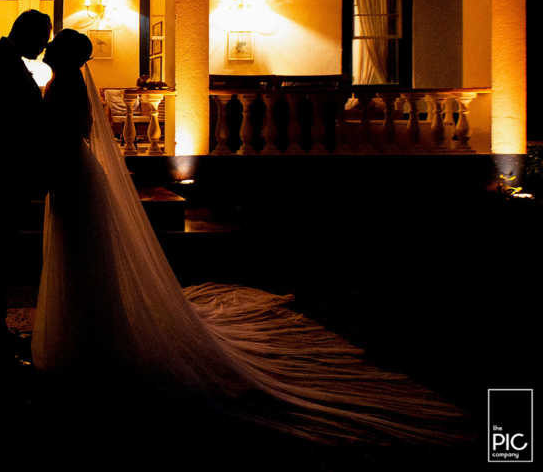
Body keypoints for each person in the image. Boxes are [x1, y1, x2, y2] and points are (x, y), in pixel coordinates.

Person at [30, 29, 465, 443]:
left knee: (84, 253)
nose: (47, 51)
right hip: (74, 174)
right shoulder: (67, 84)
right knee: (82, 253)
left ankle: (92, 340)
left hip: (72, 175)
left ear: (65, 55)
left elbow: (68, 133)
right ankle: (89, 336)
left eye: (54, 47)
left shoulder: (65, 86)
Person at [0, 9, 51, 359]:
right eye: (42, 37)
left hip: (1, 167)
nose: (45, 46)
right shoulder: (0, 62)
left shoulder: (3, 57)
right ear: (27, 32)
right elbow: (6, 121)